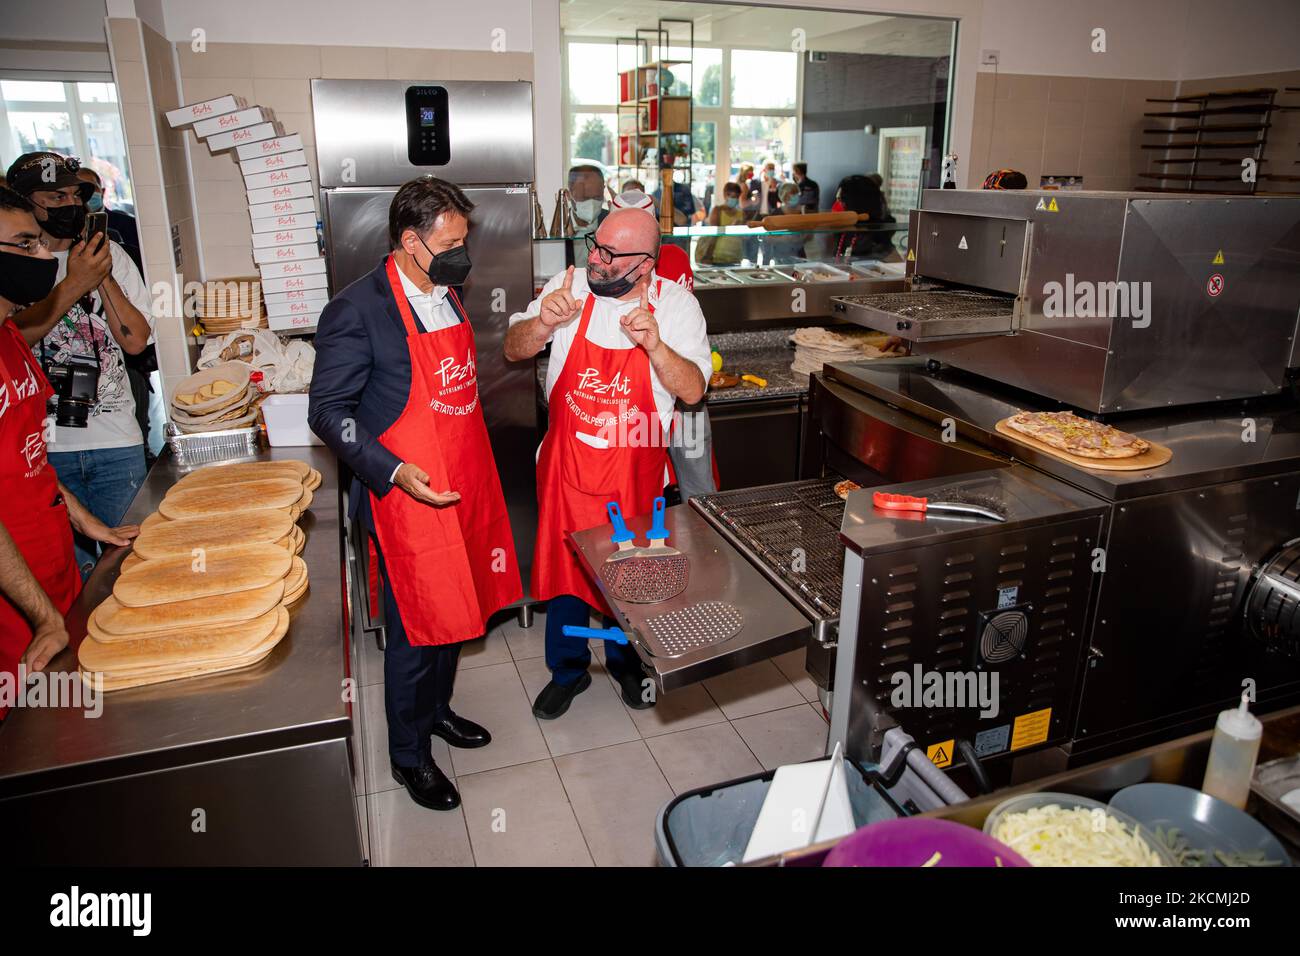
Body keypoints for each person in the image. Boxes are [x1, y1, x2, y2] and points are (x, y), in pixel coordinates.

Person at [309, 176, 520, 812]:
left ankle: (436, 712)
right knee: (416, 631)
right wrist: (395, 470)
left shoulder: (446, 293)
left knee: (458, 612)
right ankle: (408, 756)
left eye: (464, 241)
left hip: (461, 483)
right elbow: (329, 412)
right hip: (404, 495)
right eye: (451, 243)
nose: (463, 256)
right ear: (410, 241)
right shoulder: (356, 310)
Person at [504, 208, 710, 719]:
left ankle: (627, 664)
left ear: (644, 265)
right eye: (594, 245)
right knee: (565, 579)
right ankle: (568, 670)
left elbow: (693, 389)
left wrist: (657, 347)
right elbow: (513, 349)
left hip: (635, 480)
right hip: (568, 470)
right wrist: (542, 322)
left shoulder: (677, 306)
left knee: (631, 581)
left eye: (609, 254)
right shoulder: (569, 285)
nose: (594, 258)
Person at [0, 186, 137, 720]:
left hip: (54, 578)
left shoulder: (11, 337)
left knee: (77, 727)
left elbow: (28, 461)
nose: (42, 258)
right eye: (24, 245)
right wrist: (42, 619)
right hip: (17, 609)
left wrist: (88, 525)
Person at [6, 152, 153, 578]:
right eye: (55, 196)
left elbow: (136, 340)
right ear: (24, 203)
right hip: (45, 451)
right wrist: (74, 284)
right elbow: (14, 340)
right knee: (73, 572)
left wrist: (99, 272)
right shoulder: (20, 269)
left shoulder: (112, 259)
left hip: (115, 441)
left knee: (127, 562)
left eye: (76, 195)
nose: (69, 204)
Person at [77, 165, 157, 466]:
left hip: (117, 419)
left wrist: (101, 273)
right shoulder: (28, 270)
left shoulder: (120, 243)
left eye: (83, 195)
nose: (76, 204)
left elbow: (137, 338)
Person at [76, 166, 142, 274]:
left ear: (102, 191)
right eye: (80, 190)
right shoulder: (72, 231)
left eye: (91, 188)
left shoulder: (129, 224)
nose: (86, 195)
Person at [698, 182, 745, 265]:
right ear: (725, 195)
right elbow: (714, 235)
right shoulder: (718, 210)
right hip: (718, 256)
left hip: (736, 256)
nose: (735, 199)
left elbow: (744, 237)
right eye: (733, 196)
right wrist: (708, 255)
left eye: (737, 197)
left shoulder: (740, 213)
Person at [568, 164, 607, 236]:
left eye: (597, 197)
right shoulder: (560, 225)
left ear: (603, 190)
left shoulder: (610, 221)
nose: (592, 204)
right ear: (569, 194)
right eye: (585, 198)